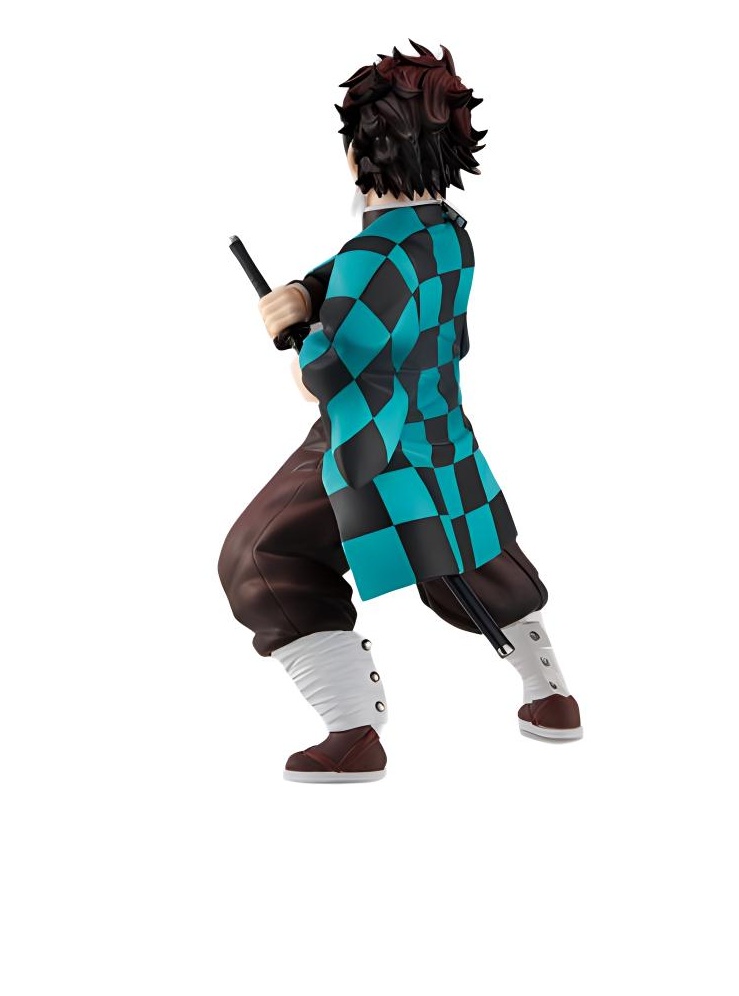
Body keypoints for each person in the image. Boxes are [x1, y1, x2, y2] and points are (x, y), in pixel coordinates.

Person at [219, 42, 581, 782]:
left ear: (361, 151)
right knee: (466, 553)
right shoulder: (449, 233)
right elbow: (372, 269)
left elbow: (333, 375)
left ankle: (352, 729)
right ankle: (551, 694)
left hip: (370, 444)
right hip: (439, 431)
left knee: (261, 556)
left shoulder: (373, 255)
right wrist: (307, 293)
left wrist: (300, 339)